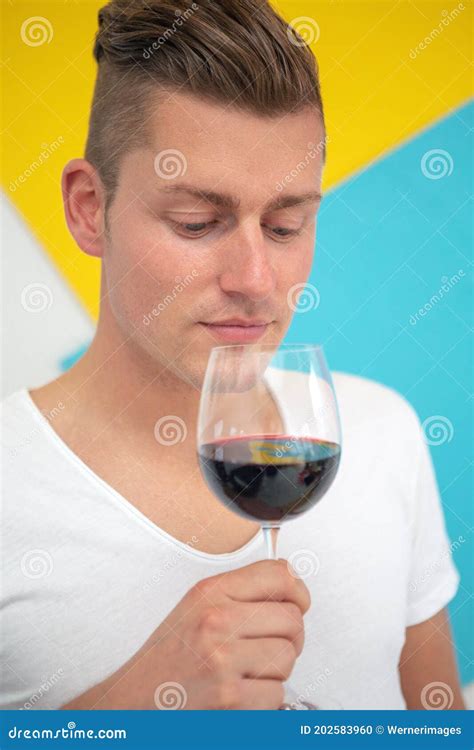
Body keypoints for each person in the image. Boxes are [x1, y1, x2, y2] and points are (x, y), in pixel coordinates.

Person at [0, 0, 465, 711]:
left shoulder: (382, 432)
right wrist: (133, 708)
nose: (255, 281)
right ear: (90, 208)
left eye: (285, 225)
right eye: (197, 223)